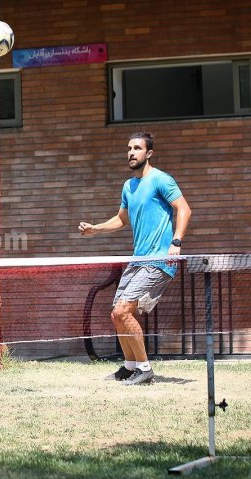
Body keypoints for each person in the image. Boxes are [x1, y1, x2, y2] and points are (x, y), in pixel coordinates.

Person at [78, 131, 191, 386]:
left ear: (148, 153)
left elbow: (184, 209)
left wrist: (176, 242)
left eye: (137, 148)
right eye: (129, 148)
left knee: (123, 310)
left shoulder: (161, 179)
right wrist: (95, 228)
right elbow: (121, 219)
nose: (131, 153)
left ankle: (145, 369)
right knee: (116, 315)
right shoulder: (129, 186)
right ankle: (130, 367)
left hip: (159, 260)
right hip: (138, 260)